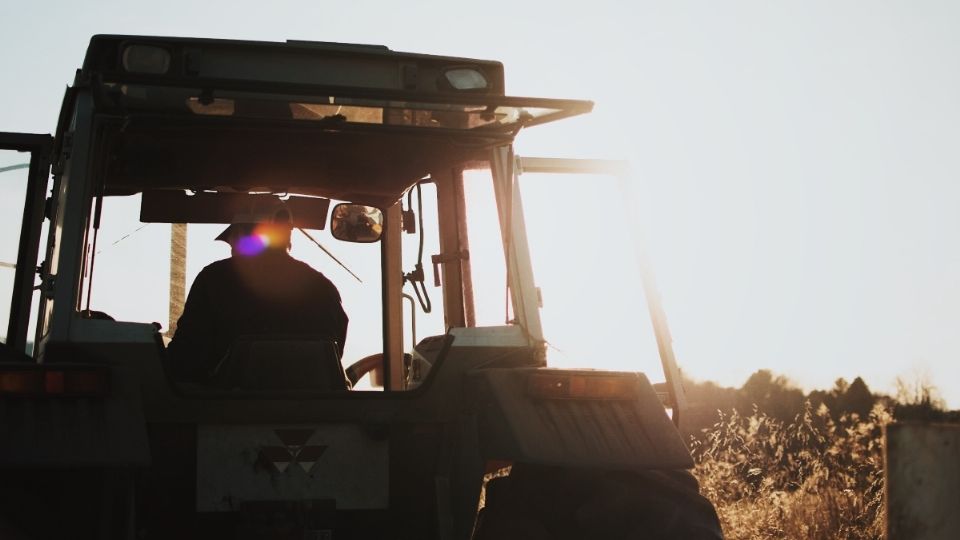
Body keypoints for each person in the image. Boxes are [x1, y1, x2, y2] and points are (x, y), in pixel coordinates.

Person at [166, 204, 348, 383]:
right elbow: (332, 357)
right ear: (287, 235)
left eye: (232, 239)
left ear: (242, 235)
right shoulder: (324, 288)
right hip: (315, 409)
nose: (232, 248)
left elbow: (184, 357)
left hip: (223, 408)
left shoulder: (213, 279)